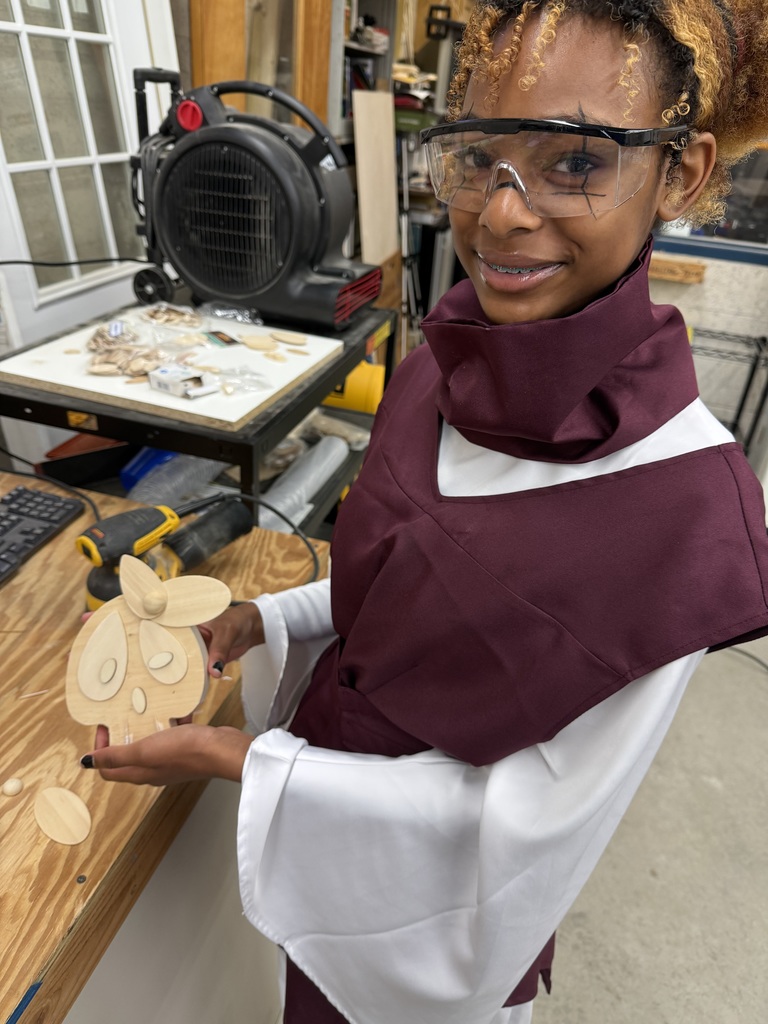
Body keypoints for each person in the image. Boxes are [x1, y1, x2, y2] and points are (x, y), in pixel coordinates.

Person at [81, 2, 768, 1022]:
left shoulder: (688, 518)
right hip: (316, 840)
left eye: (574, 164)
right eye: (479, 158)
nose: (499, 213)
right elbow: (404, 582)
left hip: (423, 935)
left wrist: (249, 762)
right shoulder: (445, 359)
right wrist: (267, 619)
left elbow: (528, 826)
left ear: (683, 170)